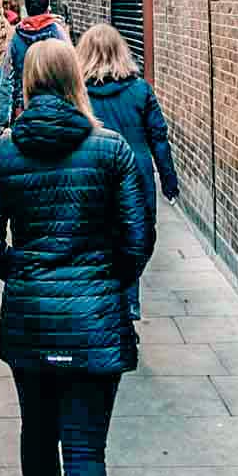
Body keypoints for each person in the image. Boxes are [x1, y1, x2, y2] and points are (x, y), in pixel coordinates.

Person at [0, 38, 150, 476]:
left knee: (38, 434)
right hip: (95, 320)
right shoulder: (111, 151)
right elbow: (138, 237)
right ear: (76, 80)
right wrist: (108, 282)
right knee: (86, 450)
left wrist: (25, 274)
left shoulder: (3, 154)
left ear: (27, 82)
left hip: (31, 318)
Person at [79, 24, 179, 321]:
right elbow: (158, 138)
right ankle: (129, 298)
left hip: (93, 172)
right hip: (136, 174)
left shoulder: (79, 92)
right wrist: (169, 181)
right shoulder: (140, 90)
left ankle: (103, 301)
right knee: (137, 236)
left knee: (97, 237)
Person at [3, 0, 70, 127]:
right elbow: (71, 68)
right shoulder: (57, 32)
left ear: (27, 10)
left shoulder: (16, 36)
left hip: (24, 106)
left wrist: (3, 114)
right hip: (56, 104)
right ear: (48, 8)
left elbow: (7, 76)